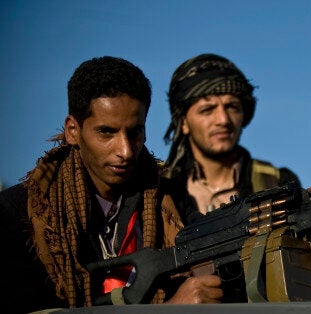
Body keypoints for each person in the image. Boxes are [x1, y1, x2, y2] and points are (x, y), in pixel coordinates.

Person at [0, 56, 222, 313]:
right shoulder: (18, 215)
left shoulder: (172, 201)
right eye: (107, 132)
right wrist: (170, 309)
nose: (126, 151)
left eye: (135, 131)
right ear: (73, 130)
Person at [160, 53, 311, 302]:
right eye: (207, 109)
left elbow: (298, 245)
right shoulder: (162, 191)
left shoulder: (275, 182)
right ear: (183, 122)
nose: (223, 120)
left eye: (232, 107)